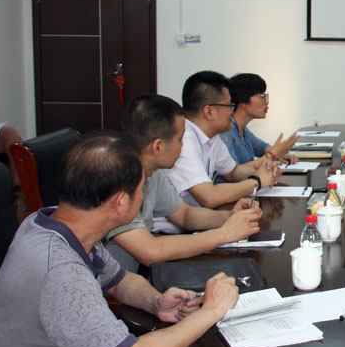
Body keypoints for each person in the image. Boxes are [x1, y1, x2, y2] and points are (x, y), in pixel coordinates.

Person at [0, 132, 239, 347]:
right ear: (120, 203)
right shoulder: (59, 268)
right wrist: (211, 311)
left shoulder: (57, 224)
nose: (143, 196)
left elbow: (120, 280)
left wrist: (156, 301)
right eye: (141, 188)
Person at [105, 94, 263, 272]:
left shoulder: (152, 172)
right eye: (180, 139)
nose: (183, 146)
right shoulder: (117, 181)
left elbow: (184, 215)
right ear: (158, 147)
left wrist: (229, 217)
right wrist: (224, 234)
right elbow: (150, 251)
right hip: (109, 285)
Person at [165, 71, 279, 210]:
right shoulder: (183, 140)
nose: (232, 112)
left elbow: (232, 172)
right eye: (229, 106)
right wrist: (257, 181)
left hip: (201, 216)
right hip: (179, 222)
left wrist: (265, 171)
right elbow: (210, 197)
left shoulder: (212, 136)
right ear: (209, 112)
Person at [220, 73, 298, 167]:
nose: (267, 102)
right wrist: (274, 154)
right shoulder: (224, 133)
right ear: (243, 101)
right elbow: (234, 171)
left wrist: (281, 153)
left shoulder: (242, 129)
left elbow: (262, 148)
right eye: (261, 96)